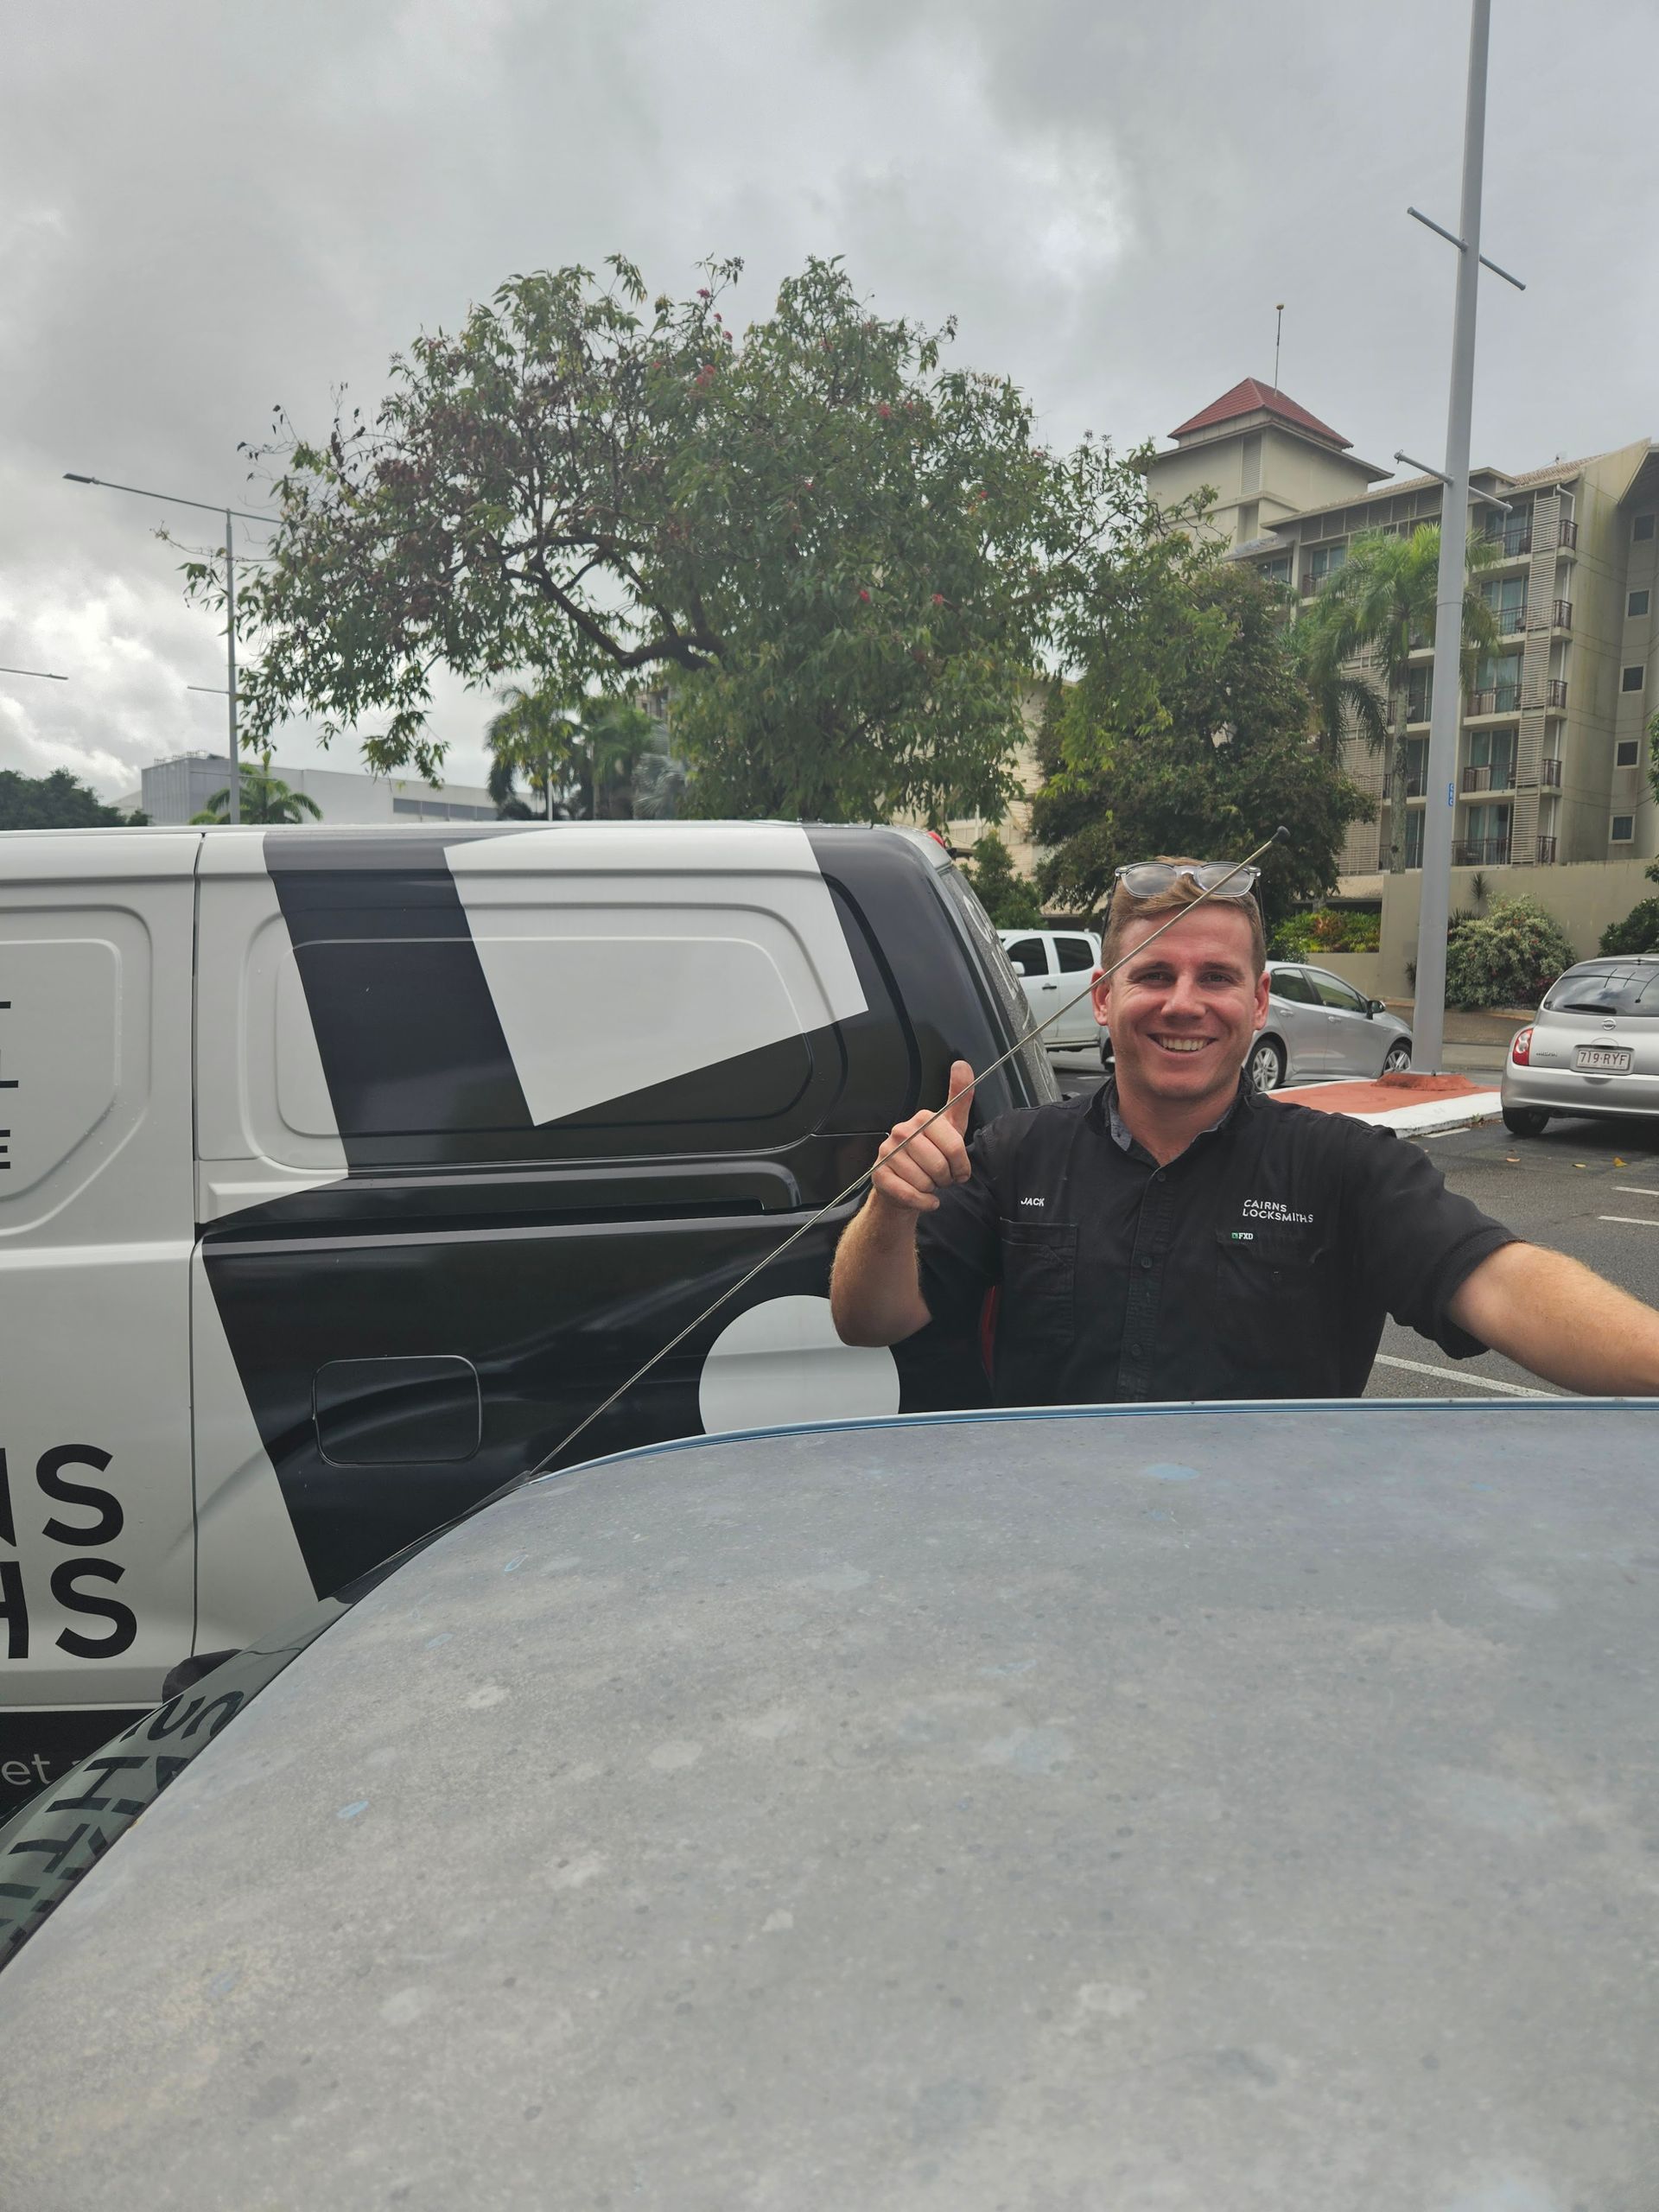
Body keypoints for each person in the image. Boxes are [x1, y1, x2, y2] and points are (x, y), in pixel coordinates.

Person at [830, 856, 1659, 1402]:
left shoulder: (1344, 1168)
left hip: (1275, 1573)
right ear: (1104, 998)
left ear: (1258, 1003)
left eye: (1216, 977)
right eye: (1154, 973)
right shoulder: (1015, 1154)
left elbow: (1507, 1286)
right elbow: (868, 1320)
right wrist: (891, 1206)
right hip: (1051, 1551)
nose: (1183, 1002)